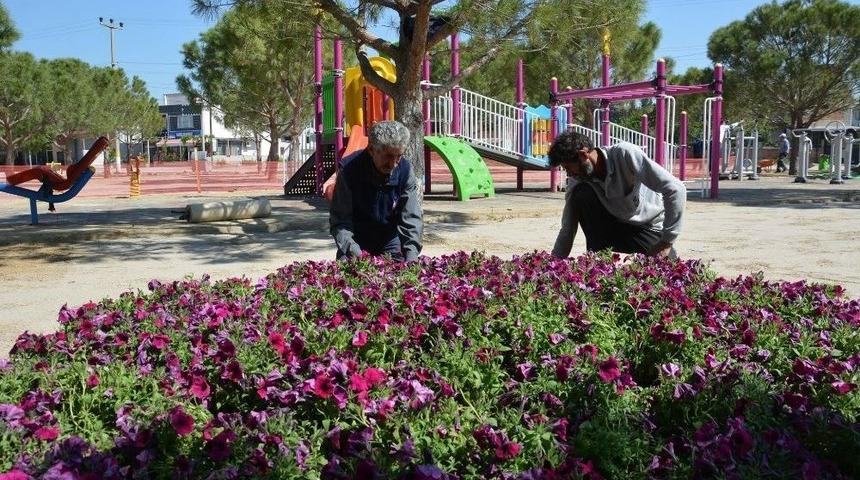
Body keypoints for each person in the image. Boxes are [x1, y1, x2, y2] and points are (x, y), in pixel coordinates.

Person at [549, 130, 686, 259]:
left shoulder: (624, 155)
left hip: (646, 228)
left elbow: (676, 189)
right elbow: (568, 226)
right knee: (581, 194)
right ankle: (600, 265)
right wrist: (553, 263)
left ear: (583, 155)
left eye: (568, 168)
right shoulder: (578, 180)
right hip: (613, 227)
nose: (569, 174)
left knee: (667, 270)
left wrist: (666, 242)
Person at [329, 120, 423, 262]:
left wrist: (411, 254)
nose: (393, 163)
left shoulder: (405, 170)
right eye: (388, 156)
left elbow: (411, 217)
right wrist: (356, 253)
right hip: (356, 239)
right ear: (371, 149)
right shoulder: (349, 170)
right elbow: (340, 221)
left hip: (389, 240)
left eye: (398, 156)